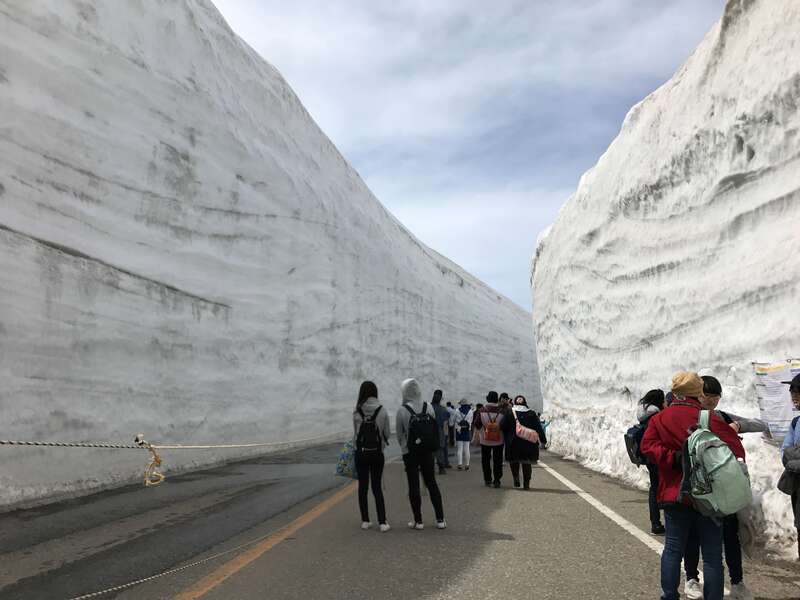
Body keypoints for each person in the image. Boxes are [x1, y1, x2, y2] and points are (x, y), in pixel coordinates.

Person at [641, 371, 746, 600]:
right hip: (708, 496)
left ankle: (669, 595)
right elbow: (737, 450)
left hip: (674, 494)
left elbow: (647, 446)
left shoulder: (660, 418)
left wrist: (673, 457)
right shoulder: (708, 418)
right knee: (711, 556)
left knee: (673, 549)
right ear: (697, 392)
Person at [681, 375, 765, 600]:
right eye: (707, 396)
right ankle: (691, 578)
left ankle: (737, 582)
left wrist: (736, 426)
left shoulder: (720, 417)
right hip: (698, 488)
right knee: (695, 536)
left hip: (722, 488)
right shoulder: (688, 417)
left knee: (730, 536)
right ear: (697, 394)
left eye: (716, 396)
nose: (712, 401)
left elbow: (758, 423)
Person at [396, 378, 446, 530]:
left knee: (414, 485)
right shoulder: (428, 407)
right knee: (431, 482)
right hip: (427, 451)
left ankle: (418, 521)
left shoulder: (402, 410)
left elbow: (400, 435)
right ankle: (440, 519)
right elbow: (433, 427)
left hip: (410, 452)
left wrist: (406, 447)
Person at [353, 381, 391, 532]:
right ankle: (382, 522)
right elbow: (387, 433)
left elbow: (355, 434)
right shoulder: (382, 410)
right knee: (376, 487)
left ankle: (365, 521)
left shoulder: (357, 411)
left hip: (361, 453)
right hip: (376, 453)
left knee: (363, 487)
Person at [637, 389, 666, 535]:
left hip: (648, 455)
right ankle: (664, 522)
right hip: (657, 455)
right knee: (665, 486)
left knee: (654, 488)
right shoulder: (656, 416)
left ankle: (655, 523)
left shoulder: (643, 415)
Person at [502, 395, 547, 489]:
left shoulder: (510, 412)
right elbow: (538, 428)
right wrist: (543, 440)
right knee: (526, 463)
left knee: (514, 461)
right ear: (525, 402)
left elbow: (502, 426)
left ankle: (516, 478)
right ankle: (526, 483)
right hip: (528, 443)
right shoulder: (531, 413)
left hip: (513, 443)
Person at [781, 374, 800, 560]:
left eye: (798, 391)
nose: (794, 396)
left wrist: (793, 457)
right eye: (792, 391)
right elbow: (785, 452)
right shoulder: (796, 422)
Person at [475, 391, 506, 488]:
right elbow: (505, 425)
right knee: (498, 460)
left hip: (485, 440)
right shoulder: (502, 411)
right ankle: (497, 480)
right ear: (497, 399)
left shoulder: (482, 410)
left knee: (485, 460)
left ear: (487, 399)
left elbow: (477, 424)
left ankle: (487, 479)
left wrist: (485, 427)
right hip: (499, 440)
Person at [431, 390, 450, 474]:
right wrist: (446, 435)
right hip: (440, 431)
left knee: (429, 450)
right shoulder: (443, 410)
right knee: (440, 450)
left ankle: (429, 467)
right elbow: (446, 423)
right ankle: (441, 468)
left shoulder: (428, 407)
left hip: (430, 431)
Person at [455, 398, 473, 470]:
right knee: (467, 449)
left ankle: (459, 464)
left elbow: (455, 420)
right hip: (467, 431)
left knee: (459, 449)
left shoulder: (457, 411)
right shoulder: (470, 411)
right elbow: (471, 420)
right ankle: (467, 465)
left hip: (459, 431)